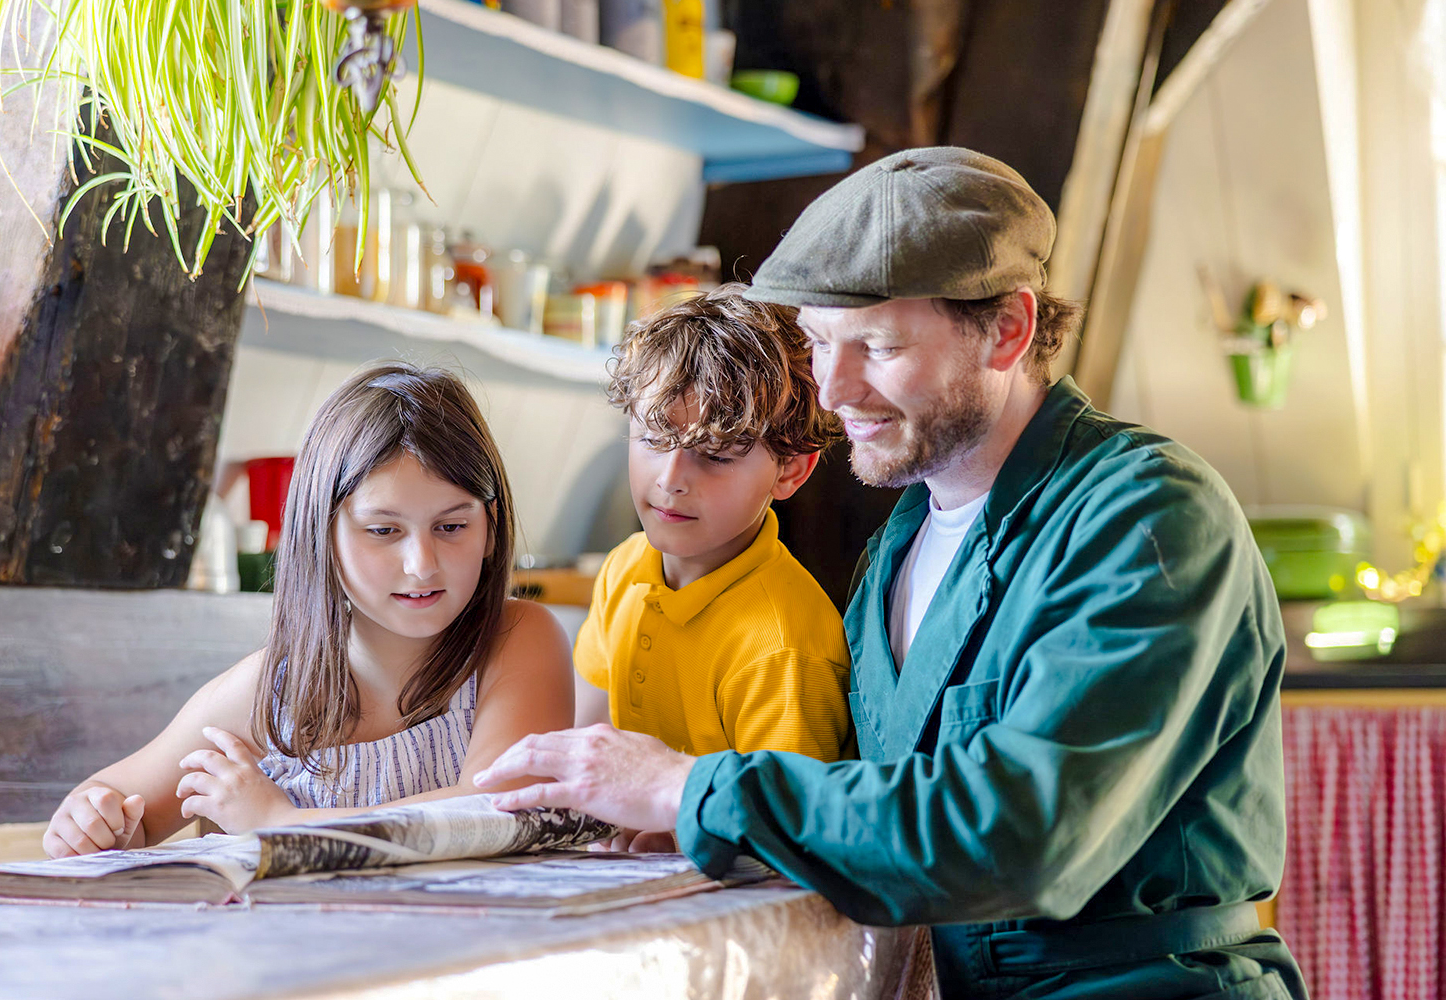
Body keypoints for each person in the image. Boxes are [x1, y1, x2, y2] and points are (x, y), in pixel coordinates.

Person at [475, 148, 1308, 1000]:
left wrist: (685, 787)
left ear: (1010, 329)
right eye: (818, 342)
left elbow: (1021, 835)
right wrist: (716, 831)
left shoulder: (1147, 514)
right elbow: (876, 813)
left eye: (876, 345)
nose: (833, 390)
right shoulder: (898, 552)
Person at [43, 362, 574, 856]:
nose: (421, 564)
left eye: (451, 527)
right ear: (322, 537)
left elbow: (494, 811)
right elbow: (119, 801)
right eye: (384, 530)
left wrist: (284, 824)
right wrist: (93, 819)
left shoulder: (518, 637)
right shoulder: (269, 695)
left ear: (490, 528)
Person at [573, 284, 850, 764]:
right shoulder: (623, 568)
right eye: (655, 438)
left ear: (790, 471)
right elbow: (586, 742)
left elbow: (782, 826)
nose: (671, 479)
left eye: (715, 456)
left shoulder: (783, 649)